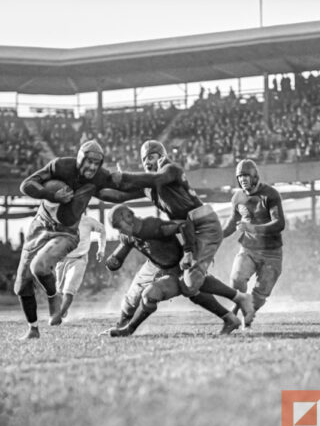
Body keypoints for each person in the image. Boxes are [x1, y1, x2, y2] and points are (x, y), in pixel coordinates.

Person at [99, 140, 255, 327]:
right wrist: (89, 186)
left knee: (190, 283)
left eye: (151, 156)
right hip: (187, 227)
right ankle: (230, 316)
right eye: (144, 159)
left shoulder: (171, 170)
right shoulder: (147, 188)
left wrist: (123, 176)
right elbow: (116, 195)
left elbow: (155, 179)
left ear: (162, 156)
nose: (147, 161)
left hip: (203, 223)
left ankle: (240, 298)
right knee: (188, 284)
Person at [14, 140, 140, 340]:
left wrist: (144, 189)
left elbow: (116, 194)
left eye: (96, 163)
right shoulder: (60, 166)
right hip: (40, 225)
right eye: (88, 161)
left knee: (39, 267)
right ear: (80, 157)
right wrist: (51, 195)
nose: (91, 167)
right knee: (21, 284)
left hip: (67, 232)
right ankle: (33, 329)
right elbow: (26, 185)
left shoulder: (99, 177)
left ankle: (54, 297)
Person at [102, 204, 253, 337]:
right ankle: (123, 326)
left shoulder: (153, 226)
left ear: (129, 217)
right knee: (135, 299)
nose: (121, 231)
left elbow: (184, 225)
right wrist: (113, 262)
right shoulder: (128, 236)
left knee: (185, 288)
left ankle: (233, 308)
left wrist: (188, 252)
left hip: (176, 268)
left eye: (120, 226)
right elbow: (118, 257)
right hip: (155, 267)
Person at [223, 159, 285, 325]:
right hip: (248, 249)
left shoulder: (270, 194)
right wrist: (216, 236)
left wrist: (252, 228)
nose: (243, 179)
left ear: (255, 177)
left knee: (259, 295)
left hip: (272, 252)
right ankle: (238, 311)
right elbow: (231, 223)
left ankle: (245, 317)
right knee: (236, 279)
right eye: (240, 176)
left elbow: (279, 223)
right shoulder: (237, 197)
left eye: (246, 175)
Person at [53, 213, 106, 323]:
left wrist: (101, 249)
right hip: (62, 259)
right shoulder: (61, 219)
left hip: (79, 259)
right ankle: (62, 310)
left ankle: (59, 316)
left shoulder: (88, 221)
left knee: (69, 289)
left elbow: (102, 230)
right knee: (59, 291)